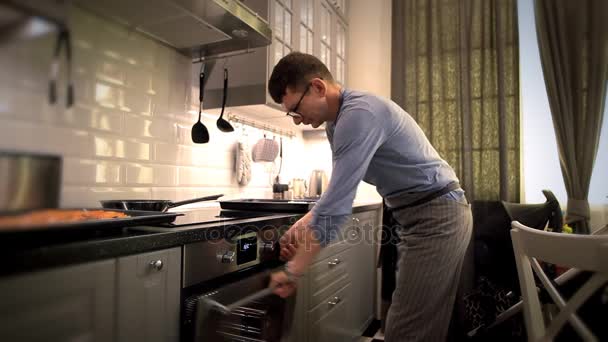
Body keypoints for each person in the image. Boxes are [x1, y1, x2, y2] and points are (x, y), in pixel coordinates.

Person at [267, 52, 472, 341]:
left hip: (437, 215)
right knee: (416, 323)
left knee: (406, 329)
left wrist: (293, 271)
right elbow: (339, 190)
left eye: (296, 110)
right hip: (416, 215)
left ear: (318, 87)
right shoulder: (335, 125)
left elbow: (337, 208)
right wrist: (303, 224)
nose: (298, 121)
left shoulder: (360, 114)